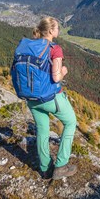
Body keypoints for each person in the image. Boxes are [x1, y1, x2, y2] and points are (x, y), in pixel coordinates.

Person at [27, 16, 78, 180]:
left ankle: (45, 168)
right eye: (57, 28)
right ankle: (61, 166)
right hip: (49, 97)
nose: (59, 30)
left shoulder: (29, 45)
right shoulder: (55, 48)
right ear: (50, 31)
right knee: (70, 122)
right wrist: (64, 71)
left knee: (42, 129)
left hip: (31, 98)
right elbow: (56, 78)